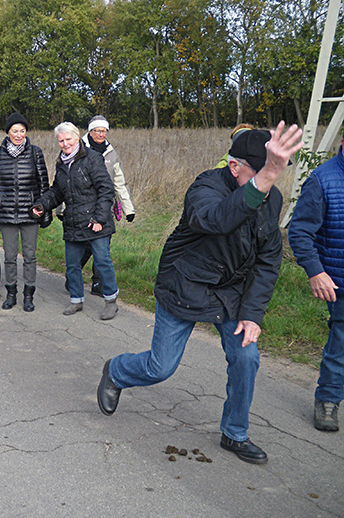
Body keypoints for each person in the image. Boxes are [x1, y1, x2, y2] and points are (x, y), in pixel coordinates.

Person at [97, 122, 303, 465]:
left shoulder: (271, 198)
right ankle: (117, 371)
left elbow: (268, 262)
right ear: (234, 166)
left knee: (246, 358)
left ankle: (234, 433)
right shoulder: (206, 186)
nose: (271, 181)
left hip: (231, 294)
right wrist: (264, 179)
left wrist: (252, 314)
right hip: (186, 285)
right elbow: (216, 220)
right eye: (264, 172)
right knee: (160, 367)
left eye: (275, 173)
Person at [32, 121, 119, 319]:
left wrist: (99, 218)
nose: (65, 144)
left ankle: (111, 301)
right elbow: (57, 191)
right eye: (61, 141)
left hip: (96, 222)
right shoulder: (61, 162)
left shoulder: (92, 158)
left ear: (77, 137)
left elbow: (107, 190)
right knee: (72, 265)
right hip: (73, 221)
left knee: (102, 261)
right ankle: (76, 300)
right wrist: (41, 205)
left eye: (68, 139)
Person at [288, 133, 344, 432]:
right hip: (341, 279)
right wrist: (315, 270)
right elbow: (299, 231)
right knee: (341, 345)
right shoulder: (322, 180)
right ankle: (328, 400)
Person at [0, 112, 51, 312]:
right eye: (15, 131)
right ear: (8, 132)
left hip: (30, 214)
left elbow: (43, 184)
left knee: (30, 256)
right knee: (10, 256)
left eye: (22, 131)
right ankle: (11, 294)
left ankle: (28, 296)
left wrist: (45, 211)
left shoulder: (35, 152)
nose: (18, 134)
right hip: (6, 213)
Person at [78, 115, 134, 297]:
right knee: (85, 245)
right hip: (82, 205)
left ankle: (98, 283)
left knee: (102, 246)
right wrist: (61, 209)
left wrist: (128, 209)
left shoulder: (111, 153)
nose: (101, 134)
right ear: (90, 131)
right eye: (98, 130)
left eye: (104, 131)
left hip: (104, 206)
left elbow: (119, 181)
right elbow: (67, 181)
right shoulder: (78, 148)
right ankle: (73, 274)